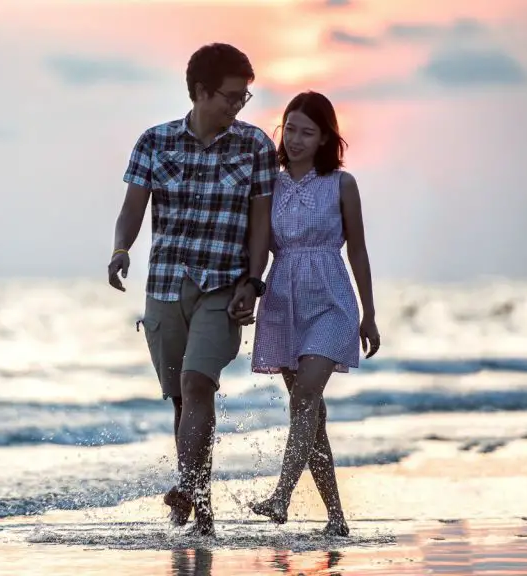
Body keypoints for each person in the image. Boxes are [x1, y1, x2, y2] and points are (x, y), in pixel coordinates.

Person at [107, 43, 278, 536]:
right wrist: (121, 250)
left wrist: (253, 280)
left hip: (223, 287)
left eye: (244, 98)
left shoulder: (255, 146)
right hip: (165, 285)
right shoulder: (154, 142)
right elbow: (132, 209)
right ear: (201, 92)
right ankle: (200, 509)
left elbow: (260, 225)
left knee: (198, 383)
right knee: (183, 401)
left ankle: (188, 492)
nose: (238, 106)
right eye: (230, 97)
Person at [248, 91, 381, 536]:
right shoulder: (269, 181)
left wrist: (370, 313)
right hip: (283, 301)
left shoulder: (342, 184)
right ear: (281, 129)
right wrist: (245, 291)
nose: (298, 139)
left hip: (331, 301)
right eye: (291, 128)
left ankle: (281, 497)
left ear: (326, 138)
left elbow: (359, 250)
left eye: (309, 132)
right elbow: (259, 246)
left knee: (305, 398)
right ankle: (337, 519)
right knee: (311, 414)